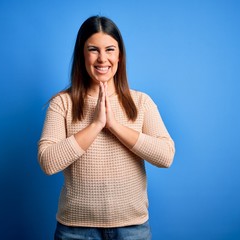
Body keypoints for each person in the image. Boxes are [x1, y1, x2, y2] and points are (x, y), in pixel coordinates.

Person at [38, 15, 175, 240]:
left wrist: (114, 125)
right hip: (75, 231)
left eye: (109, 49)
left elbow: (166, 156)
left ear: (119, 55)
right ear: (82, 55)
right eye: (93, 49)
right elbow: (48, 162)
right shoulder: (62, 103)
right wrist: (95, 125)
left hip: (132, 229)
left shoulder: (141, 102)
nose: (102, 58)